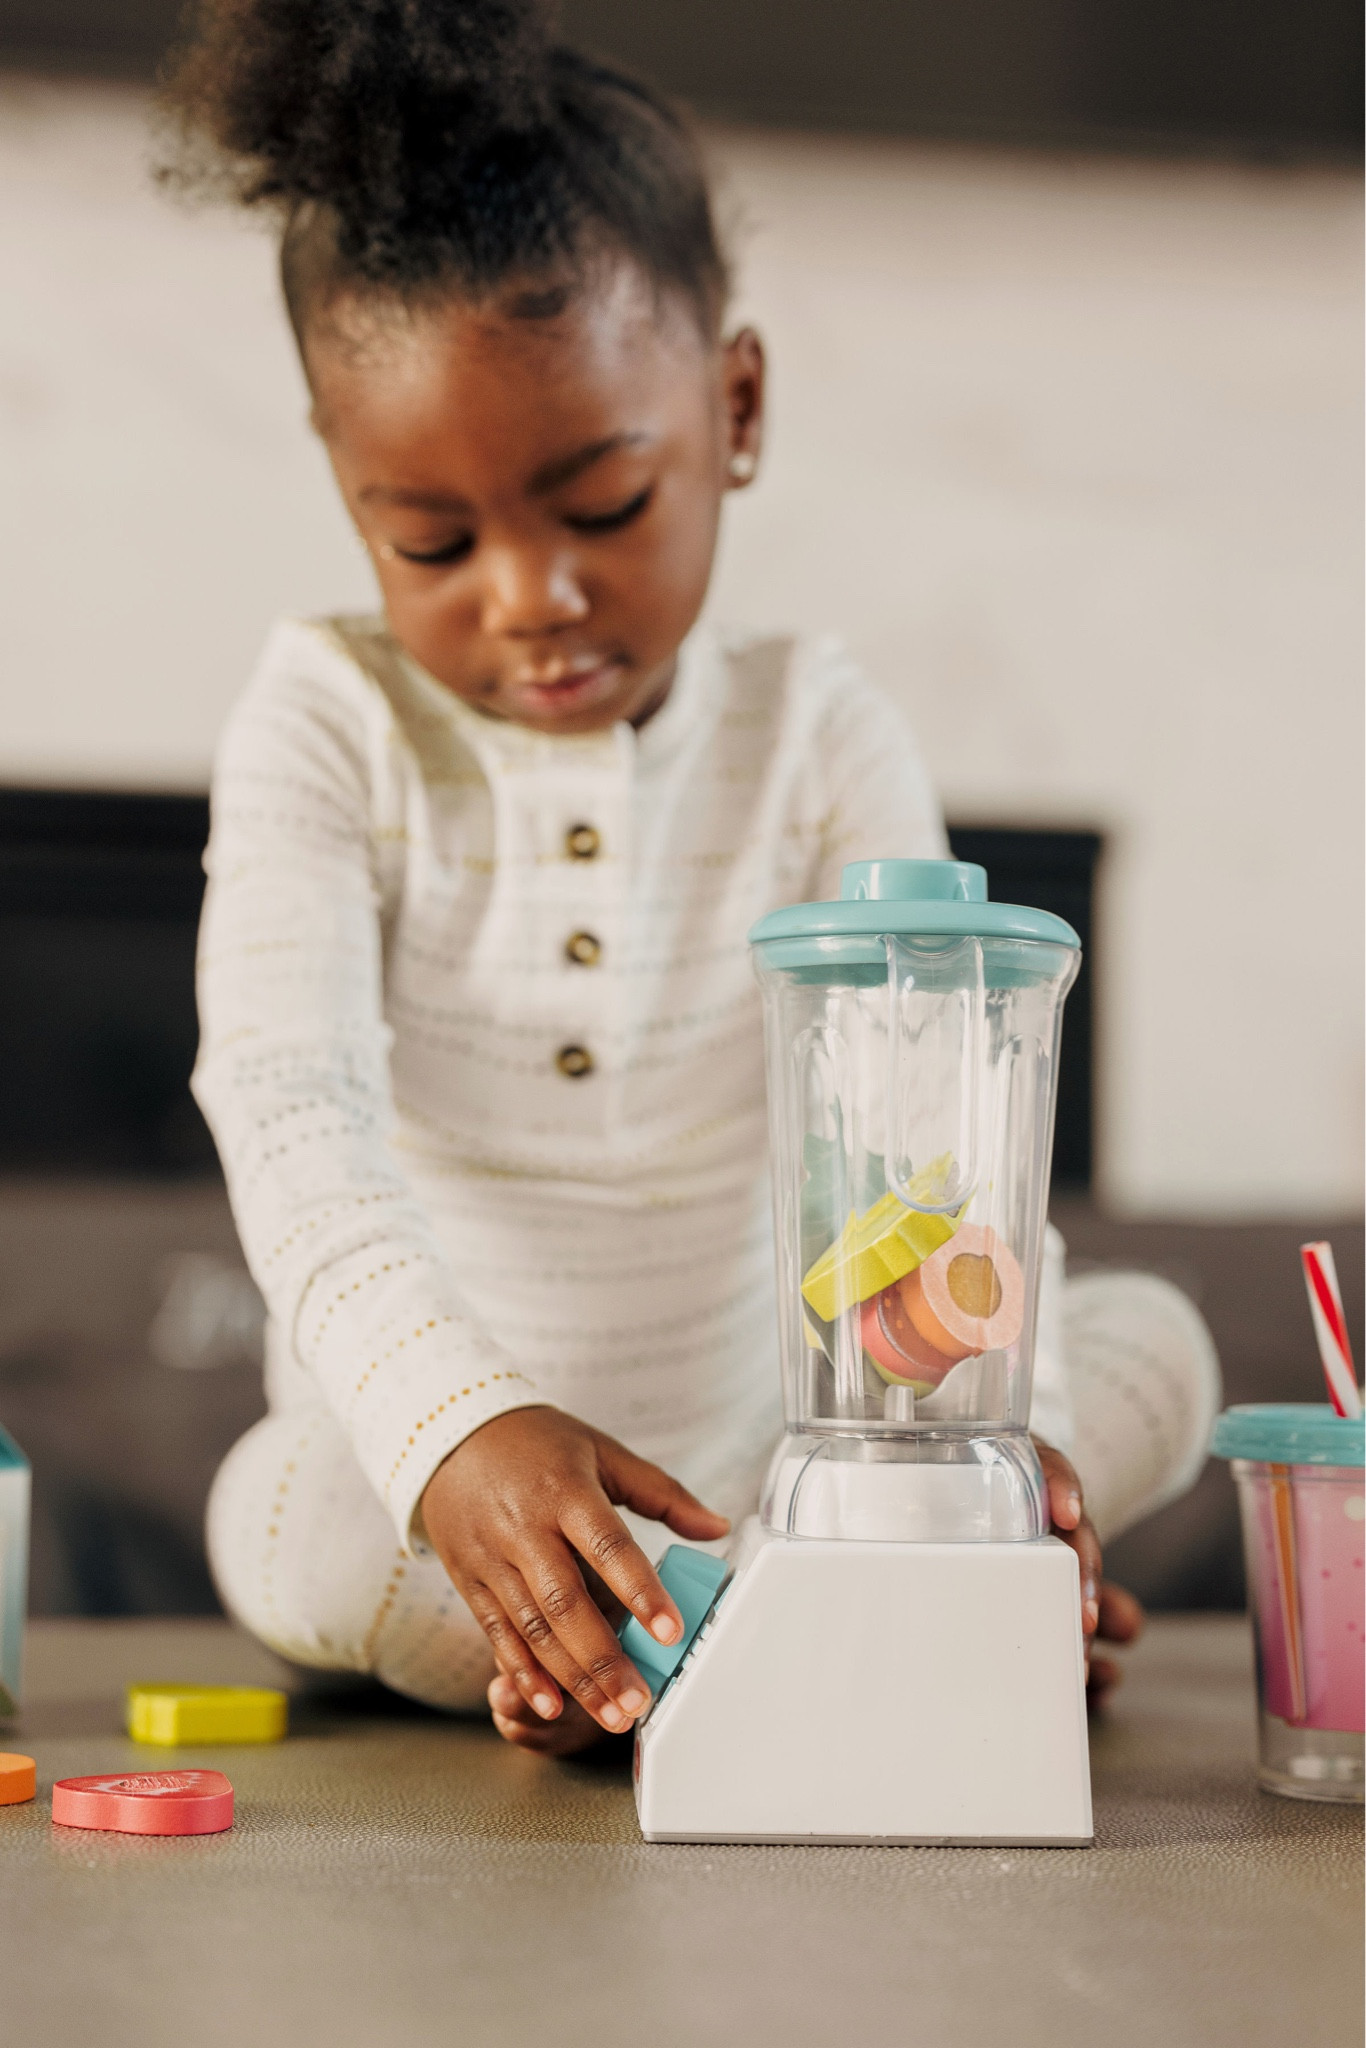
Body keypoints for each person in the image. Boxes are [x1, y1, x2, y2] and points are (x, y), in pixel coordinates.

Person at [161, 0, 1220, 1754]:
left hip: (790, 1463)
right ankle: (667, 1640)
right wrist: (456, 1427)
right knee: (284, 1516)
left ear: (731, 408)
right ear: (350, 492)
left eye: (598, 505)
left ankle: (745, 1627)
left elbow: (937, 1138)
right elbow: (289, 1105)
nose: (525, 595)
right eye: (430, 539)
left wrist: (981, 1458)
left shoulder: (816, 731)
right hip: (459, 1480)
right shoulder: (321, 719)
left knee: (1152, 1339)